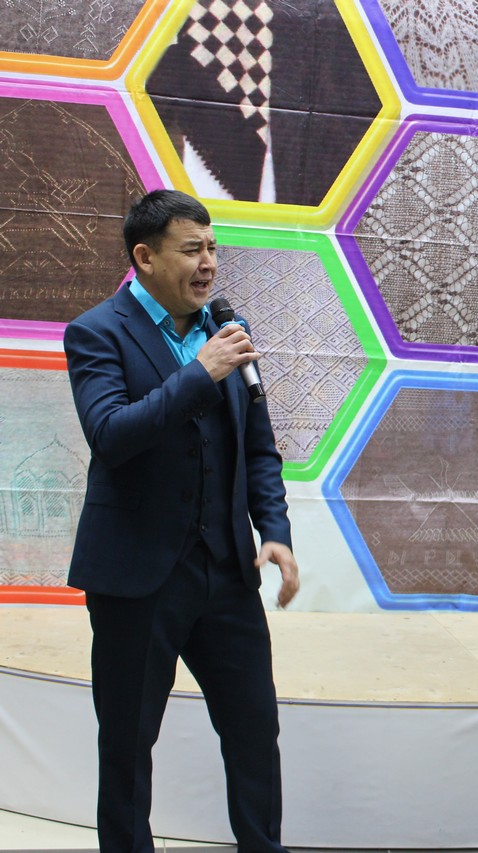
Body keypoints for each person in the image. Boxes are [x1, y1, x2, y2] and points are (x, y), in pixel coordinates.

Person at [63, 189, 299, 852]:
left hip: (226, 572)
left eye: (213, 247)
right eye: (192, 249)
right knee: (129, 742)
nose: (209, 263)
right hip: (136, 576)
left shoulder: (226, 327)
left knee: (254, 730)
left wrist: (275, 532)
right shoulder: (97, 332)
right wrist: (199, 372)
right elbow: (111, 434)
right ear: (145, 257)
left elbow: (258, 447)